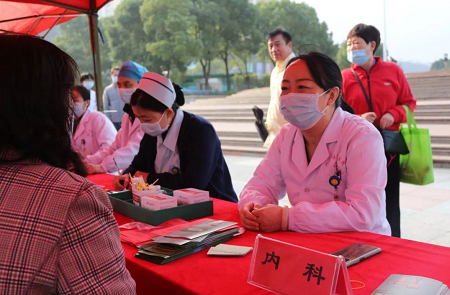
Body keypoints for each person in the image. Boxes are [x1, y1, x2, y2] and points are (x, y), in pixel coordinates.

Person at [0, 34, 136, 294]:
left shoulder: (197, 130)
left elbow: (124, 149)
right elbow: (116, 148)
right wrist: (94, 165)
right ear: (43, 101)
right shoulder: (73, 199)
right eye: (65, 92)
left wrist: (95, 164)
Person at [238, 52, 391, 235]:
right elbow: (261, 183)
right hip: (309, 241)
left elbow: (362, 213)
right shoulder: (287, 135)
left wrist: (287, 218)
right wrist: (254, 205)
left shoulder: (362, 136)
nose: (290, 96)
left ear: (331, 95)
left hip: (361, 244)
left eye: (302, 87)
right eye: (285, 88)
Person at [113, 72, 238, 203]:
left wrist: (148, 178)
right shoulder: (153, 132)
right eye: (139, 118)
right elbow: (138, 166)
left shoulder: (200, 130)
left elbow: (194, 182)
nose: (142, 124)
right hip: (168, 203)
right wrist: (126, 176)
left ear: (168, 113)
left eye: (146, 118)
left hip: (213, 204)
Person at [342, 24, 417, 237]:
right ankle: (362, 239)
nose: (351, 49)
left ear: (372, 45)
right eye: (348, 45)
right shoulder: (344, 77)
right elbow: (335, 111)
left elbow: (409, 103)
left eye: (356, 43)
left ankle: (393, 240)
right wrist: (359, 119)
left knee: (389, 197)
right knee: (357, 197)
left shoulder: (393, 71)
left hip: (388, 148)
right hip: (355, 148)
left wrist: (393, 114)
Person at [85, 61, 147, 175]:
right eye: (119, 85)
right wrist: (88, 161)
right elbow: (114, 147)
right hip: (130, 176)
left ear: (141, 84)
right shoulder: (128, 116)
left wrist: (103, 166)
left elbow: (133, 150)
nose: (122, 89)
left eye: (127, 84)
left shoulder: (148, 116)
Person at [264, 27, 296, 148]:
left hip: (292, 138)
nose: (273, 49)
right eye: (270, 46)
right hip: (276, 137)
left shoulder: (296, 67)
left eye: (277, 44)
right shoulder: (276, 71)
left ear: (289, 44)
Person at [71, 85, 117, 158]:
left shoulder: (98, 119)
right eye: (69, 100)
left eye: (75, 100)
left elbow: (110, 148)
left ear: (87, 102)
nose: (71, 104)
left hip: (100, 167)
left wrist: (89, 162)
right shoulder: (68, 122)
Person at [104, 66, 124, 130]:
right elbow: (106, 107)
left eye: (118, 75)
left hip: (125, 120)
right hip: (113, 122)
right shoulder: (107, 90)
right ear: (111, 75)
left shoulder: (125, 88)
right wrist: (108, 121)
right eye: (115, 75)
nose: (117, 77)